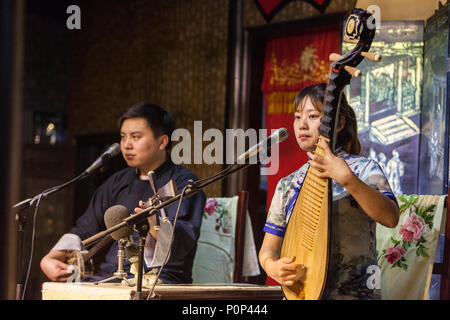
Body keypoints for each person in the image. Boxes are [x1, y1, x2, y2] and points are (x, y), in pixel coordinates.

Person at [259, 83, 399, 300]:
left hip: (355, 294)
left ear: (339, 123)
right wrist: (273, 267)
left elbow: (390, 217)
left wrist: (347, 179)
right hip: (303, 293)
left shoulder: (364, 169)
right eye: (297, 117)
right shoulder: (288, 184)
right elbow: (268, 249)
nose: (302, 125)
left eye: (312, 116)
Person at [40, 102, 206, 284]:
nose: (126, 145)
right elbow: (85, 228)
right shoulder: (117, 181)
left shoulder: (183, 183)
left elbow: (182, 239)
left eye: (135, 137)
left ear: (162, 141)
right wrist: (52, 257)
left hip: (159, 280)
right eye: (123, 137)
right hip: (109, 278)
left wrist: (154, 224)